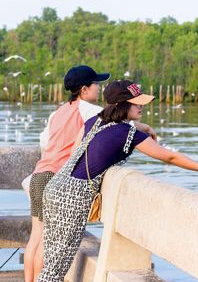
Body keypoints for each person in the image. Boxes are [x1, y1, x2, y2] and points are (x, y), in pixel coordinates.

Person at [37, 80, 198, 281]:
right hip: (73, 198)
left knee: (52, 262)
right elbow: (169, 157)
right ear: (122, 104)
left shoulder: (93, 122)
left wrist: (140, 130)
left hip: (56, 187)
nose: (141, 106)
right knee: (56, 268)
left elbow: (74, 153)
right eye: (136, 102)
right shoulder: (128, 134)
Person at [24, 67, 157, 282]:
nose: (99, 87)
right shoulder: (87, 110)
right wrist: (147, 128)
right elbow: (115, 122)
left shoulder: (58, 111)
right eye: (96, 84)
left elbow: (44, 142)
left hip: (39, 175)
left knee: (36, 238)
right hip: (60, 177)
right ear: (84, 89)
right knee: (50, 250)